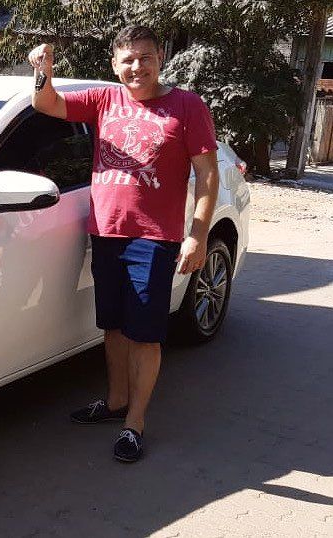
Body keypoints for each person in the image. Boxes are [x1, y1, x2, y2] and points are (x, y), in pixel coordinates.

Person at [27, 26, 219, 462]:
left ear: (160, 58)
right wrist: (42, 71)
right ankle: (115, 402)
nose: (137, 67)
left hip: (154, 237)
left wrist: (198, 233)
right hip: (106, 231)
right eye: (128, 59)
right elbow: (46, 103)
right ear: (115, 65)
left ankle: (135, 422)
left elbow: (208, 175)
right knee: (113, 326)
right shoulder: (104, 99)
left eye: (145, 57)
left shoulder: (187, 106)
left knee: (144, 335)